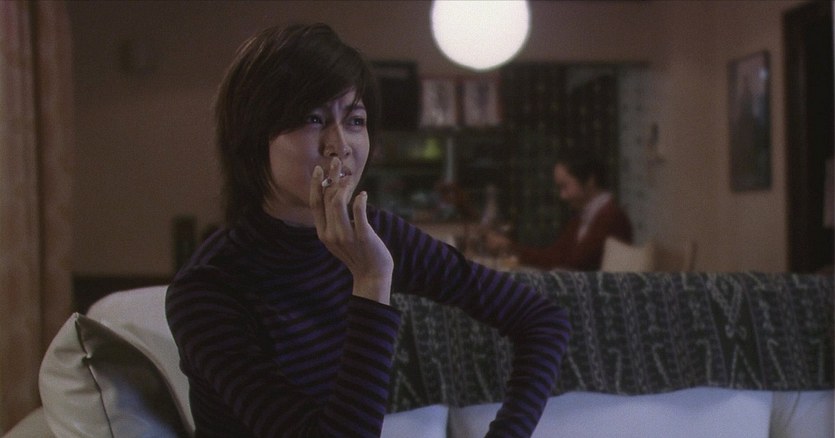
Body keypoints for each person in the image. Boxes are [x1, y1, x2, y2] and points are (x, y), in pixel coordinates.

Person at [165, 23, 571, 438]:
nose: (340, 144)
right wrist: (372, 280)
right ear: (252, 136)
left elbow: (542, 320)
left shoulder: (374, 232)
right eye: (313, 118)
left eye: (355, 120)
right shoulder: (208, 289)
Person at [486, 152, 633, 271]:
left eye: (565, 186)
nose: (562, 196)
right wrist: (509, 247)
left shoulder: (611, 217)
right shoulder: (584, 217)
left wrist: (510, 248)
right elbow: (553, 256)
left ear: (590, 180)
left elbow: (571, 262)